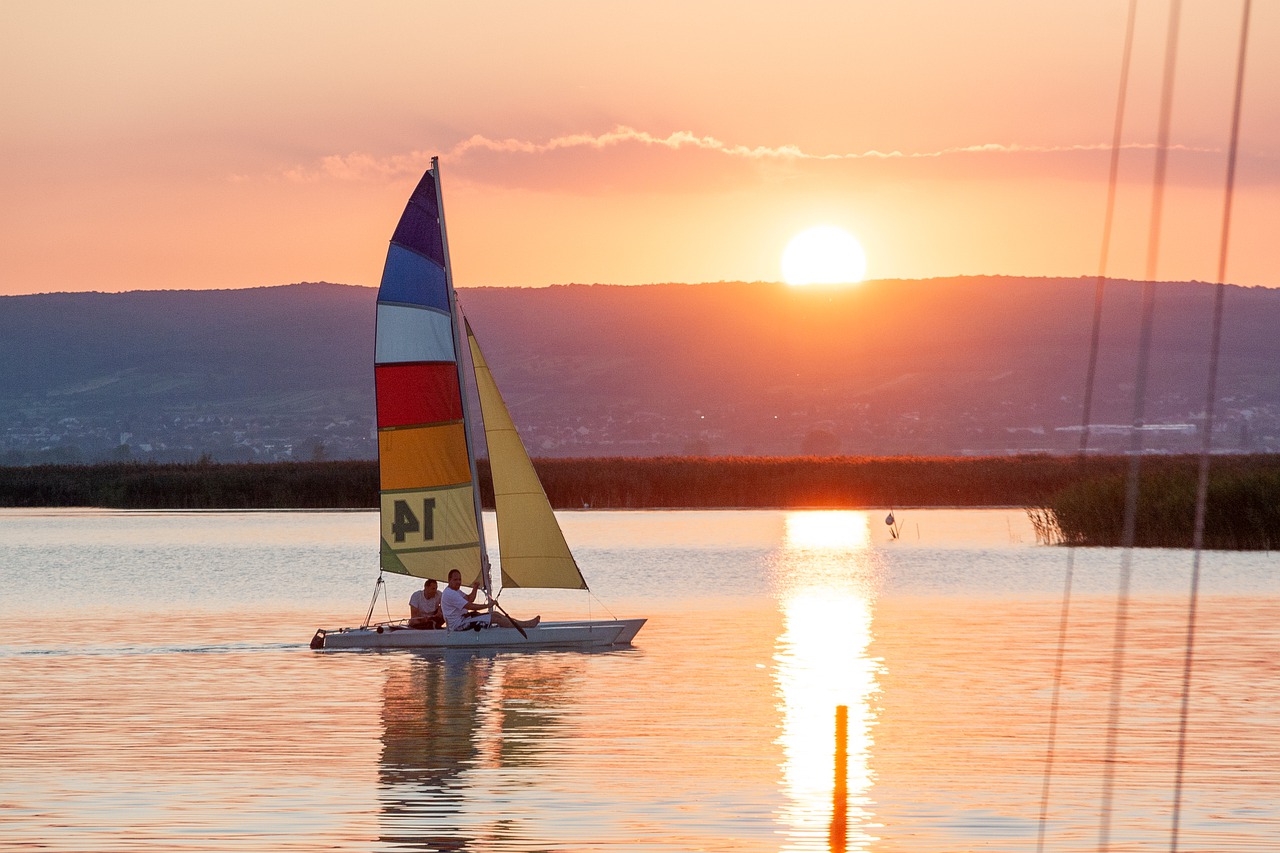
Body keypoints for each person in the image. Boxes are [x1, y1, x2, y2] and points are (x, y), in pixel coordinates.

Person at [441, 568, 541, 632]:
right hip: (458, 626)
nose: (458, 582)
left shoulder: (455, 591)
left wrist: (475, 587)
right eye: (455, 580)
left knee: (496, 614)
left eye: (459, 579)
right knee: (495, 618)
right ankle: (525, 626)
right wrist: (488, 606)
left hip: (465, 619)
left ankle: (523, 624)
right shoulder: (450, 593)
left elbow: (470, 599)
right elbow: (469, 606)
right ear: (449, 580)